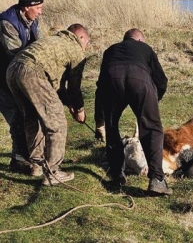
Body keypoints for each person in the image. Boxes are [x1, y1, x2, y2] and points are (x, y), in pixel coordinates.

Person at [6, 24, 89, 186]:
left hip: (13, 70)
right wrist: (79, 109)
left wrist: (68, 102)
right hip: (32, 72)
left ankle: (36, 164)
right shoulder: (75, 50)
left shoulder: (52, 41)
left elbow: (55, 85)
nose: (86, 47)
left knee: (31, 117)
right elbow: (74, 87)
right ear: (80, 38)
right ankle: (53, 172)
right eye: (87, 43)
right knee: (57, 123)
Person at [94, 28, 172, 195]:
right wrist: (153, 102)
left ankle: (117, 175)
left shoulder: (111, 50)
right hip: (140, 80)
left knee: (112, 126)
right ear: (140, 41)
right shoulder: (145, 48)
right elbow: (162, 81)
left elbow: (100, 86)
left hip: (112, 79)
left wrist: (99, 120)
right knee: (152, 129)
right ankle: (157, 179)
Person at [0, 0, 44, 175]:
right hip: (4, 78)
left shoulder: (33, 20)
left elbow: (40, 44)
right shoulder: (6, 23)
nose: (40, 12)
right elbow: (14, 55)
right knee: (17, 118)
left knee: (27, 114)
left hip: (18, 77)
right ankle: (19, 161)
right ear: (26, 7)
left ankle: (29, 156)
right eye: (38, 8)